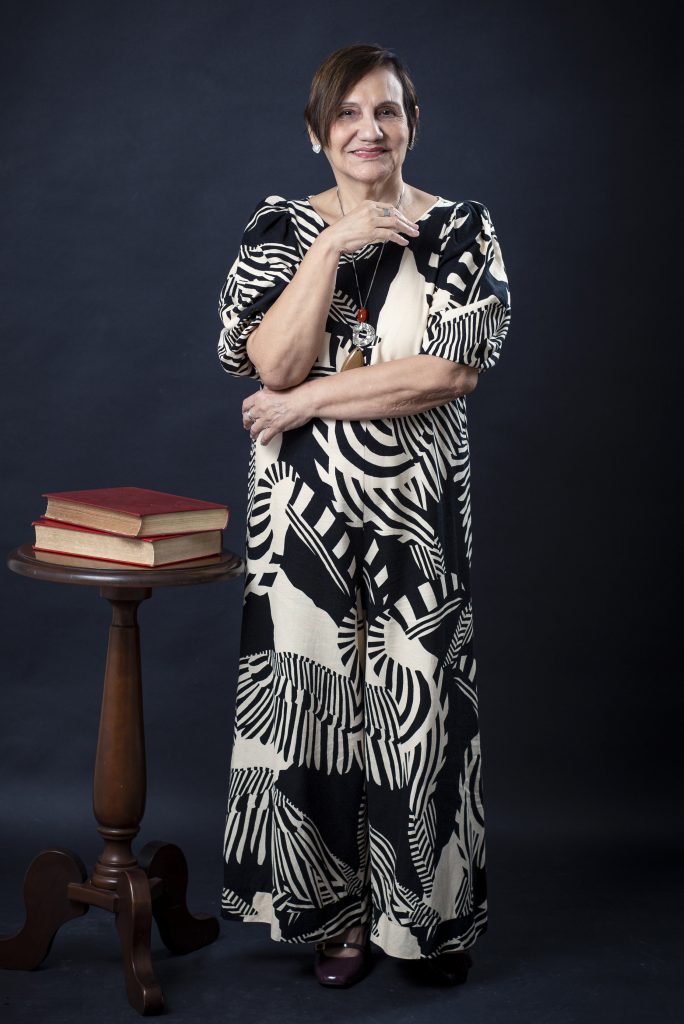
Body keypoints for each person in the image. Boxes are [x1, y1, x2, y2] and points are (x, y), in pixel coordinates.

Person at [216, 42, 511, 990]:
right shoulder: (277, 229)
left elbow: (446, 373)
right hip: (298, 523)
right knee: (314, 715)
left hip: (418, 519)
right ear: (317, 133)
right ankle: (337, 925)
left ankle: (428, 928)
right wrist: (332, 249)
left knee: (422, 719)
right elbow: (267, 362)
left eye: (386, 111)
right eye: (346, 114)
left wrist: (305, 404)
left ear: (410, 125)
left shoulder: (463, 229)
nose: (368, 130)